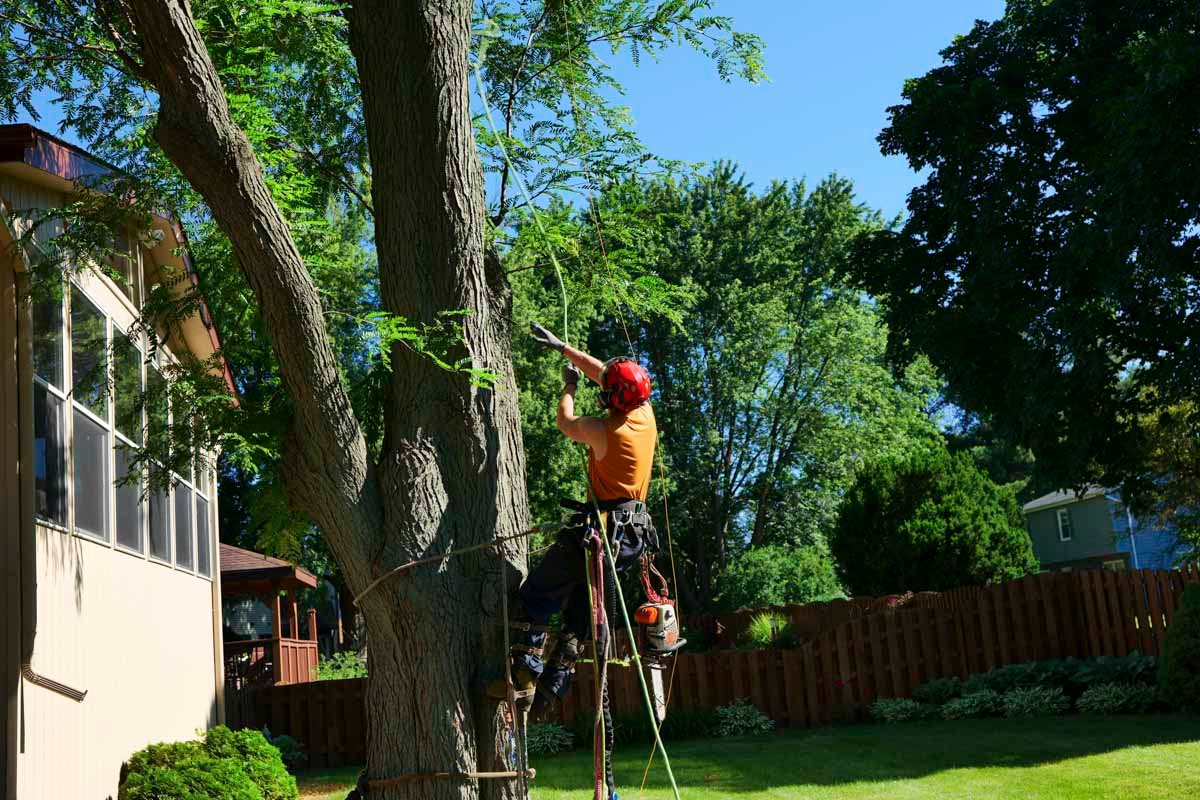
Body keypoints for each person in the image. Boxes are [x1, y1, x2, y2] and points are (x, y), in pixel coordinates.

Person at [493, 322, 658, 793]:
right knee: (583, 617)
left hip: (599, 533)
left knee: (537, 596)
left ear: (613, 400)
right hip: (629, 538)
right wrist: (565, 348)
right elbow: (605, 372)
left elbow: (566, 423)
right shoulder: (644, 413)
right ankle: (553, 687)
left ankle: (524, 676)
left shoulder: (605, 431)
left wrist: (567, 386)